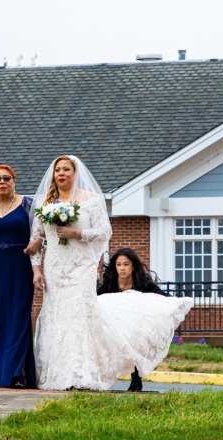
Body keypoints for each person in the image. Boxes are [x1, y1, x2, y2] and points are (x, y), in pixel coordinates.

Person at [29, 155, 193, 391]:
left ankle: (79, 374)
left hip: (81, 267)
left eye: (66, 169)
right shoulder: (46, 203)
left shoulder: (91, 201)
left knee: (79, 316)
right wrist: (36, 269)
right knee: (57, 316)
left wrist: (77, 234)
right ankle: (58, 374)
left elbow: (104, 232)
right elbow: (36, 239)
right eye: (57, 170)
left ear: (75, 173)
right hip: (55, 267)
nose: (61, 174)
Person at [0, 164, 42, 388]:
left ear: (14, 180)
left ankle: (17, 374)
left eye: (7, 178)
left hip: (20, 268)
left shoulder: (28, 205)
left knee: (18, 320)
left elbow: (40, 236)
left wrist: (36, 268)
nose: (2, 182)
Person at [97, 248, 171, 392]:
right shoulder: (110, 284)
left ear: (133, 266)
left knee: (136, 339)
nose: (122, 268)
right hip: (116, 326)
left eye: (126, 264)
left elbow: (162, 296)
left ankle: (136, 379)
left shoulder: (142, 283)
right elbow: (96, 301)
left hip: (137, 326)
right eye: (119, 265)